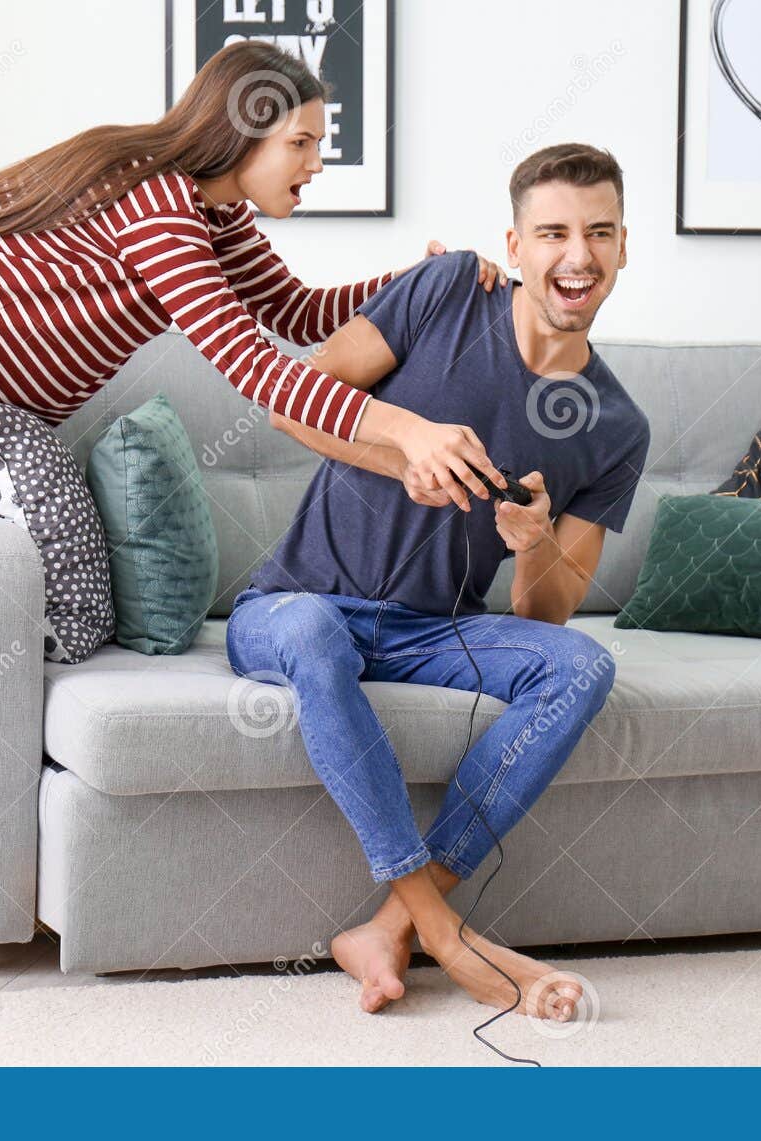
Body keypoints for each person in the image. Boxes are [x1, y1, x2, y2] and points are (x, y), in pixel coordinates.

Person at [0, 40, 509, 965]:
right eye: (305, 143)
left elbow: (298, 311)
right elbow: (254, 369)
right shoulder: (161, 207)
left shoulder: (216, 216)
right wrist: (406, 430)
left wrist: (422, 281)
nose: (318, 163)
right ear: (245, 133)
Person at [228, 143, 651, 1019]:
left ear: (623, 247)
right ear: (517, 243)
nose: (579, 254)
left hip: (430, 630)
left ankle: (387, 926)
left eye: (600, 233)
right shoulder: (452, 289)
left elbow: (548, 613)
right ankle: (445, 932)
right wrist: (402, 451)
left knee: (582, 667)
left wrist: (531, 540)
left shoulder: (615, 425)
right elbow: (291, 399)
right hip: (293, 605)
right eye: (555, 233)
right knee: (313, 630)